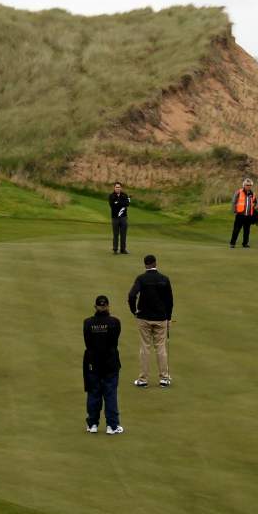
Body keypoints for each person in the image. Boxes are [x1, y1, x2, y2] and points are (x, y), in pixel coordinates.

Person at [128, 254, 173, 388]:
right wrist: (168, 317)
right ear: (155, 263)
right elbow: (170, 301)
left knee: (145, 347)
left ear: (145, 264)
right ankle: (164, 378)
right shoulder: (164, 279)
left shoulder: (141, 279)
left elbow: (131, 295)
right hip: (161, 318)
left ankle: (143, 379)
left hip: (144, 318)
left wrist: (134, 311)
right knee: (160, 347)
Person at [83, 294, 123, 434]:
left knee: (94, 393)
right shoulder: (115, 322)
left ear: (95, 307)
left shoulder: (88, 323)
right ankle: (112, 426)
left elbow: (87, 342)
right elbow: (115, 341)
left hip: (93, 363)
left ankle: (92, 424)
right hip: (110, 363)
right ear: (108, 306)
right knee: (110, 394)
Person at [230, 178, 258, 249]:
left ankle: (245, 243)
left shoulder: (252, 194)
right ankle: (232, 243)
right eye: (247, 185)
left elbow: (255, 203)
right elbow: (234, 202)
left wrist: (255, 207)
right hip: (240, 215)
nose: (248, 186)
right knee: (236, 230)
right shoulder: (239, 192)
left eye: (250, 185)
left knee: (247, 231)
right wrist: (234, 210)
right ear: (244, 185)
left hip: (248, 215)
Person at [108, 182, 131, 255]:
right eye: (116, 187)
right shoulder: (111, 196)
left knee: (123, 234)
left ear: (121, 188)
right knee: (115, 234)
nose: (118, 188)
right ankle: (115, 249)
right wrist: (121, 202)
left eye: (119, 187)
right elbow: (113, 205)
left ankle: (123, 249)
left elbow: (127, 204)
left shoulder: (124, 195)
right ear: (114, 188)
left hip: (123, 217)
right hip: (115, 218)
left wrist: (118, 202)